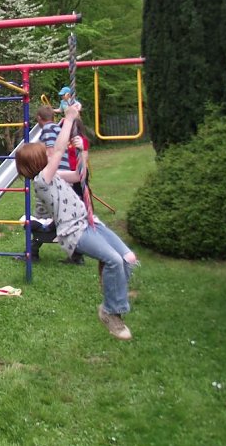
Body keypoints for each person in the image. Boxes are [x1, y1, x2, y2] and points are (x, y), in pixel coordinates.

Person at [15, 103, 138, 341]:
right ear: (39, 161)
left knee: (127, 259)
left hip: (90, 221)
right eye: (45, 152)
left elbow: (79, 176)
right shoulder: (41, 181)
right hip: (74, 231)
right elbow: (60, 149)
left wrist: (82, 152)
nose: (50, 151)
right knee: (113, 260)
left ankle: (113, 288)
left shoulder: (54, 176)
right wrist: (69, 118)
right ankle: (111, 313)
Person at [34, 105, 84, 264]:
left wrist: (45, 170)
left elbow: (51, 151)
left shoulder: (48, 129)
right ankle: (77, 255)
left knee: (43, 216)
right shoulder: (58, 128)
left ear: (39, 119)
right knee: (60, 214)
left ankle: (32, 252)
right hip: (65, 174)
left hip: (54, 176)